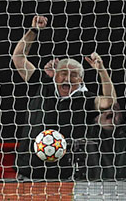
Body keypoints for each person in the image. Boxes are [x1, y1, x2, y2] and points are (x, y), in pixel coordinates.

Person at [10, 15, 117, 180]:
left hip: (63, 175)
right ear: (55, 76)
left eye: (74, 75)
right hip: (28, 170)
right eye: (63, 73)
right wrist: (34, 30)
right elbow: (18, 58)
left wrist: (101, 70)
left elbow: (109, 101)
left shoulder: (85, 99)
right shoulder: (41, 84)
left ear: (80, 80)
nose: (67, 78)